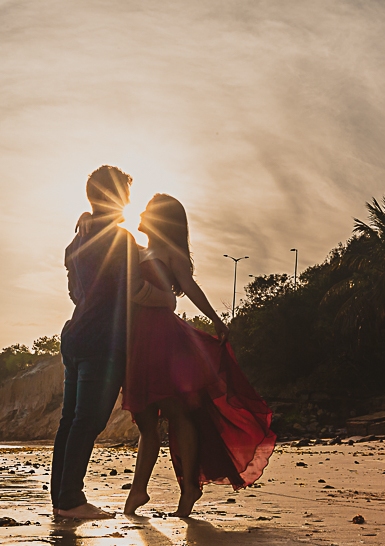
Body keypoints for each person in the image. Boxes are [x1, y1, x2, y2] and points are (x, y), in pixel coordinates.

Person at [121, 194, 276, 517]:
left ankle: (189, 486)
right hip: (138, 340)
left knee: (177, 411)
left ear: (162, 220)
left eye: (150, 209)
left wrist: (217, 319)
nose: (143, 212)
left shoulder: (168, 251)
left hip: (163, 338)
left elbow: (189, 286)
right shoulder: (139, 249)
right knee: (147, 419)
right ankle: (139, 490)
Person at [51, 166, 177, 520]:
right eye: (126, 194)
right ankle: (71, 500)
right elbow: (136, 290)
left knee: (69, 421)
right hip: (103, 340)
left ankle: (61, 500)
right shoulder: (119, 240)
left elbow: (75, 293)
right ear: (117, 198)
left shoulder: (74, 243)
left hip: (75, 335)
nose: (129, 200)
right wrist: (167, 299)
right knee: (87, 421)